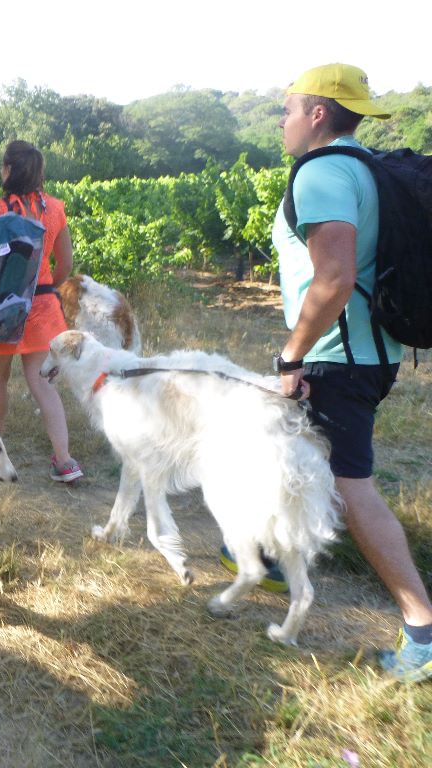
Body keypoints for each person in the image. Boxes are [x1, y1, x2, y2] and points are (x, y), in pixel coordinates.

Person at [273, 63, 432, 682]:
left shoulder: (323, 173)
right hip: (371, 351)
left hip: (338, 358)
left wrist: (292, 354)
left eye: (287, 109)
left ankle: (421, 627)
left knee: (350, 486)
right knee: (300, 453)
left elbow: (333, 279)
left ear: (318, 114)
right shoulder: (364, 166)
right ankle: (256, 549)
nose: (280, 121)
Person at [0, 140, 82, 483]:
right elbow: (66, 264)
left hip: (4, 309)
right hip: (45, 310)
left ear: (8, 170)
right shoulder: (56, 209)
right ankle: (65, 461)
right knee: (42, 384)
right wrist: (45, 290)